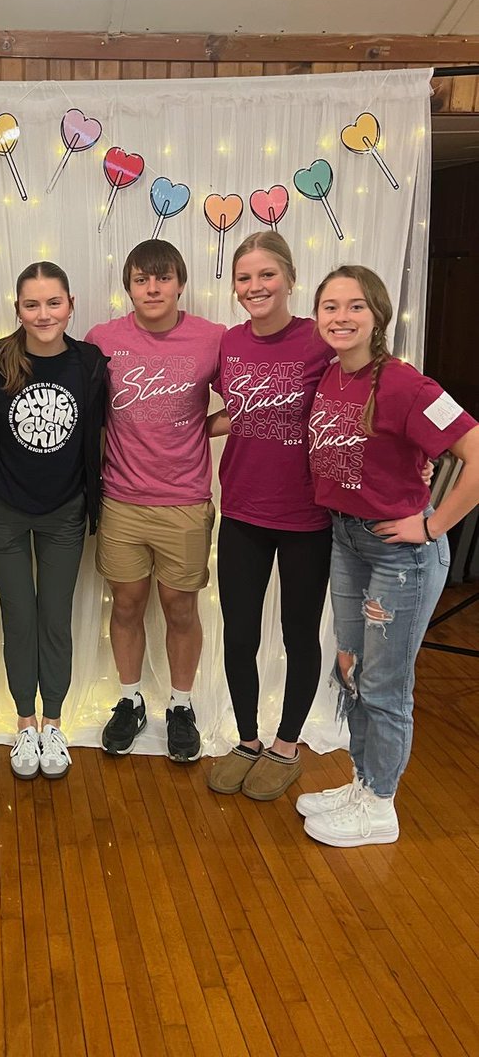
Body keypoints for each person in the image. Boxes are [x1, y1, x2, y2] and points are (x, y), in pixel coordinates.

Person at [298, 265, 479, 847]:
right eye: (330, 306)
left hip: (399, 555)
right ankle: (361, 780)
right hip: (346, 542)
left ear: (378, 315)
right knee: (351, 666)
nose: (341, 317)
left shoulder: (407, 384)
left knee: (384, 682)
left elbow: (475, 454)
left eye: (354, 307)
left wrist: (431, 524)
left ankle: (380, 805)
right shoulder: (330, 377)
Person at [206, 232, 334, 800]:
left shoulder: (319, 339)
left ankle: (287, 745)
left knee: (298, 632)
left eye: (266, 276)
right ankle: (248, 739)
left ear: (289, 277)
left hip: (308, 516)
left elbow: (362, 399)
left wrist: (414, 464)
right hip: (241, 510)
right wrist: (187, 427)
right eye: (244, 278)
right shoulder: (229, 344)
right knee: (239, 631)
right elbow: (232, 407)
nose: (254, 287)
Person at [86, 239, 224, 761]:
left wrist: (200, 429)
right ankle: (129, 701)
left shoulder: (212, 338)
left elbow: (248, 399)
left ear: (180, 284)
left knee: (179, 607)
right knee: (126, 603)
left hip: (185, 501)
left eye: (162, 278)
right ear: (129, 287)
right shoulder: (103, 339)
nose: (153, 288)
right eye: (142, 279)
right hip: (120, 499)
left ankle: (182, 706)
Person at [0, 262, 108, 780]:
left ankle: (54, 724)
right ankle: (24, 724)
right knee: (18, 618)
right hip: (3, 514)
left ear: (71, 305)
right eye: (32, 304)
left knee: (54, 618)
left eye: (54, 303)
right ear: (18, 310)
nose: (44, 313)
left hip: (65, 513)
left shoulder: (91, 364)